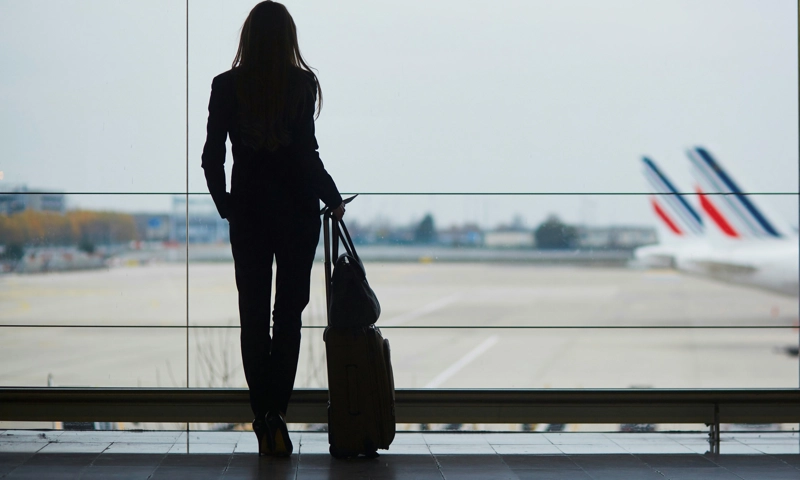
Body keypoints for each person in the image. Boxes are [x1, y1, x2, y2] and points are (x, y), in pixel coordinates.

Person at [201, 0, 345, 457]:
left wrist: (226, 205)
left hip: (249, 216)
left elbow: (212, 156)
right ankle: (276, 415)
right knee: (288, 319)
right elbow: (307, 155)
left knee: (253, 317)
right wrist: (333, 197)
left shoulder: (225, 86)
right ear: (288, 39)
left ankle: (262, 415)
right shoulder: (302, 84)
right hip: (296, 217)